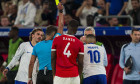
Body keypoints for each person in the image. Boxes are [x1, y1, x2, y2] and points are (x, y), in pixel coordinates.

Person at [27, 3, 64, 84]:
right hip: (52, 74)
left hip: (40, 75)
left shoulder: (37, 46)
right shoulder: (55, 41)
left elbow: (31, 63)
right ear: (54, 34)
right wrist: (61, 11)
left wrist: (29, 78)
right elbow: (61, 25)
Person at [51, 19, 84, 84]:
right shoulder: (79, 43)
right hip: (74, 75)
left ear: (67, 27)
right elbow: (80, 62)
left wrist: (54, 73)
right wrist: (79, 75)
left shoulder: (57, 39)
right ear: (76, 30)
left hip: (60, 74)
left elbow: (53, 58)